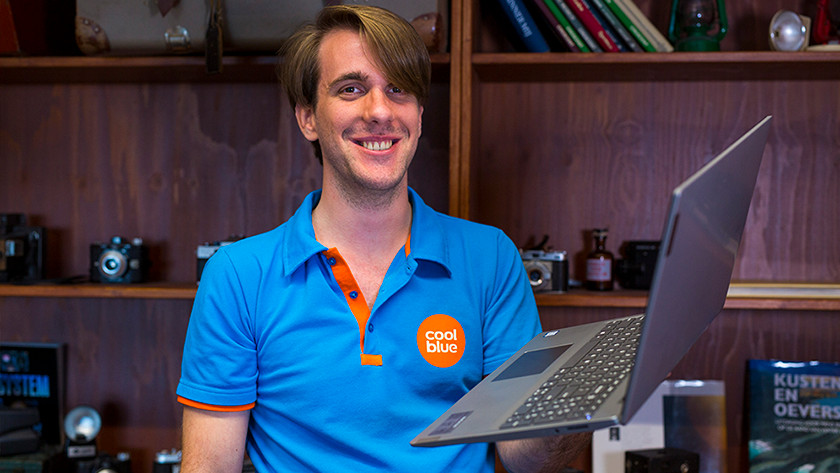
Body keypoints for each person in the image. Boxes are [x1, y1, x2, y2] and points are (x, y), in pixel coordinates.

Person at [176, 5, 589, 472]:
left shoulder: (490, 258)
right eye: (351, 89)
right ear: (308, 117)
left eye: (398, 90)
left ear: (419, 114)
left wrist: (584, 401)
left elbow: (525, 459)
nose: (379, 111)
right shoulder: (238, 276)